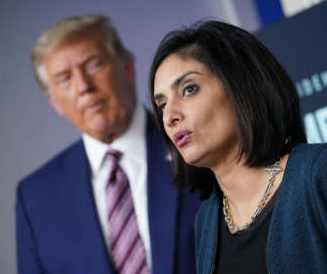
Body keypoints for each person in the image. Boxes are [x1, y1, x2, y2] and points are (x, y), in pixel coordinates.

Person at [148, 20, 327, 273]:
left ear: (240, 85)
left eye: (189, 89)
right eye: (162, 104)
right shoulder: (207, 221)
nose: (170, 117)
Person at [16, 15, 200, 274]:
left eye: (93, 65)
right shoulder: (34, 197)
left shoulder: (194, 144)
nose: (84, 86)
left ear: (127, 70)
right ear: (54, 102)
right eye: (64, 78)